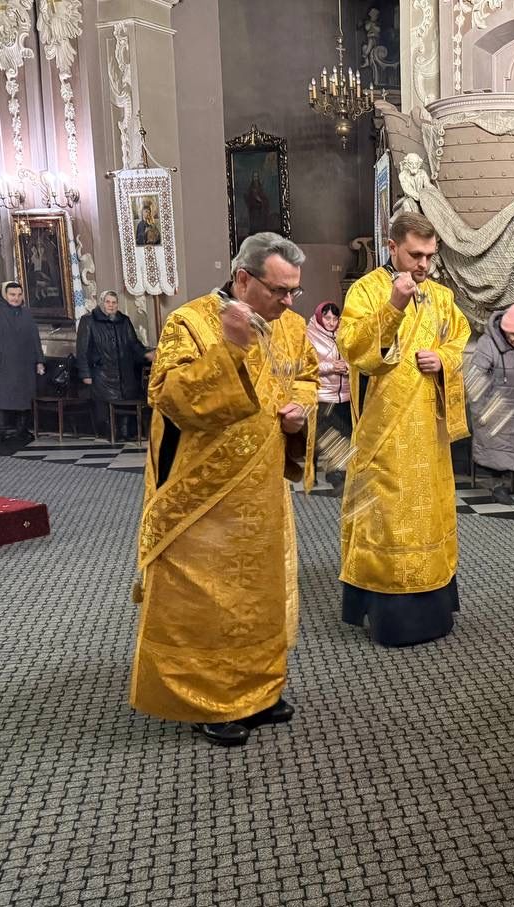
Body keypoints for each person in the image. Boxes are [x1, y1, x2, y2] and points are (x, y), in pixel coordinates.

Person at [129, 232, 319, 748]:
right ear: (242, 279)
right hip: (205, 494)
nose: (288, 302)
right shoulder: (190, 322)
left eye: (294, 291)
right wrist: (231, 349)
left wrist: (300, 413)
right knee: (209, 601)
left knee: (259, 595)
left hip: (262, 490)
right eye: (279, 290)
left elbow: (306, 377)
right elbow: (171, 396)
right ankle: (209, 700)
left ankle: (259, 691)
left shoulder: (291, 325)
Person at [337, 210, 470, 648]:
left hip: (428, 437)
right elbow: (354, 349)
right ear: (392, 247)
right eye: (415, 255)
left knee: (429, 518)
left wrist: (443, 360)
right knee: (387, 520)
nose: (424, 264)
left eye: (430, 256)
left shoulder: (441, 297)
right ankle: (390, 619)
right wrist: (394, 305)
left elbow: (458, 340)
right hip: (386, 434)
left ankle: (434, 610)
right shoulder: (366, 291)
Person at [467, 304, 514, 504]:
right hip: (497, 409)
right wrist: (481, 411)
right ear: (504, 328)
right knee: (497, 450)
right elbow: (475, 379)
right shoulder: (488, 343)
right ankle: (497, 487)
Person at [77, 291, 156, 440]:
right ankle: (111, 433)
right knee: (106, 407)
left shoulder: (124, 321)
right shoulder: (89, 321)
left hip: (124, 373)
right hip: (102, 374)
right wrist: (85, 374)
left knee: (126, 402)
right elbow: (82, 350)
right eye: (108, 302)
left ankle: (125, 432)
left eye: (114, 302)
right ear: (101, 303)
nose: (111, 305)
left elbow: (134, 344)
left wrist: (146, 354)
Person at [0, 281, 44, 443]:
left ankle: (21, 430)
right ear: (4, 294)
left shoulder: (26, 312)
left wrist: (39, 361)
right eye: (12, 294)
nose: (16, 298)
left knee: (24, 397)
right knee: (0, 397)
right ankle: (1, 430)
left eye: (19, 295)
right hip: (0, 363)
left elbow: (35, 338)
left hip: (24, 364)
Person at [305, 300, 351, 486]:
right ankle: (312, 473)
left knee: (344, 434)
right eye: (327, 318)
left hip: (344, 394)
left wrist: (347, 367)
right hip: (323, 395)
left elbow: (355, 359)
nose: (331, 322)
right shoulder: (309, 335)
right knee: (320, 437)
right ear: (319, 317)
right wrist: (331, 367)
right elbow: (306, 366)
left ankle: (338, 473)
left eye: (335, 318)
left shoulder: (344, 334)